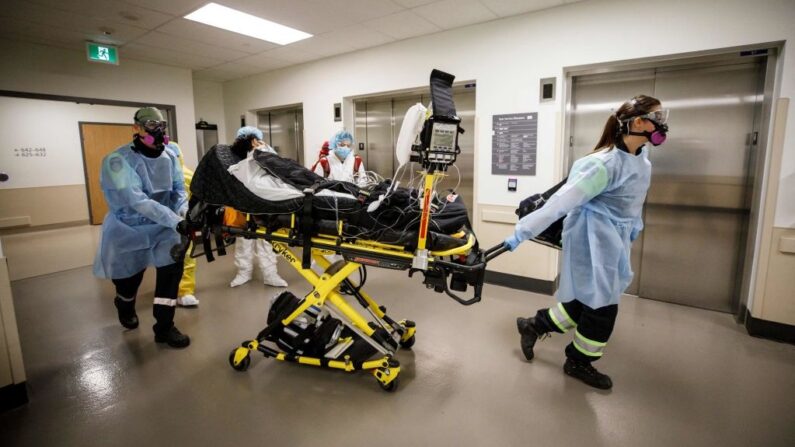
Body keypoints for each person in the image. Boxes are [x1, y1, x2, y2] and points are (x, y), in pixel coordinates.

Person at [505, 95, 668, 389]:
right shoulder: (602, 165)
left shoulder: (642, 162)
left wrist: (634, 227)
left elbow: (634, 203)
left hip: (614, 240)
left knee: (585, 300)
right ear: (639, 122)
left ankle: (533, 325)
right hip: (590, 239)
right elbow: (559, 204)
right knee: (604, 306)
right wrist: (522, 232)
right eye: (658, 117)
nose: (663, 124)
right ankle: (578, 361)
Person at [93, 107, 191, 348]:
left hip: (165, 229)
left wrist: (184, 211)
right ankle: (124, 304)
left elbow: (178, 189)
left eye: (161, 126)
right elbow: (137, 201)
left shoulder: (169, 154)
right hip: (130, 230)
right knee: (128, 282)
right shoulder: (117, 161)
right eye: (151, 126)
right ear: (136, 128)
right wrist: (176, 221)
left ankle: (164, 328)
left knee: (170, 277)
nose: (158, 132)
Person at [228, 126, 289, 288]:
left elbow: (277, 170)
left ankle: (270, 274)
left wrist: (264, 149)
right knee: (244, 240)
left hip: (265, 203)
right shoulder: (236, 154)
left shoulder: (266, 151)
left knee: (266, 240)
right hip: (244, 203)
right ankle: (243, 273)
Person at [174, 145, 200, 307]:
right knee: (165, 260)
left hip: (183, 224)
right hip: (160, 224)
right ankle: (170, 290)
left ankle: (184, 291)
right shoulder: (154, 176)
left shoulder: (187, 175)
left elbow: (197, 199)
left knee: (187, 256)